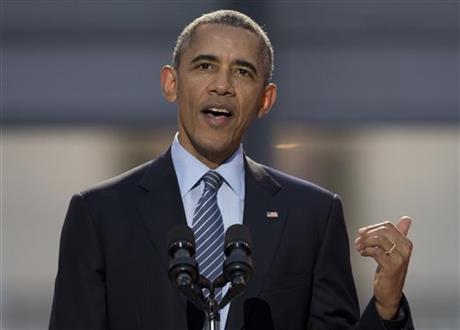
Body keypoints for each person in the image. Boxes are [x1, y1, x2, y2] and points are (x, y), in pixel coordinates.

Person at [49, 10, 414, 330]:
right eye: (205, 66)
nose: (222, 86)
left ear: (265, 99)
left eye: (242, 71)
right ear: (171, 83)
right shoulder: (100, 214)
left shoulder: (313, 215)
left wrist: (386, 306)